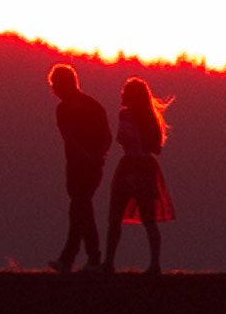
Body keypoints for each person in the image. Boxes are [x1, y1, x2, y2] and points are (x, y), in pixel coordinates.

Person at [104, 76, 174, 274]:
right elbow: (156, 148)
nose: (122, 95)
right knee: (149, 219)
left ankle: (109, 262)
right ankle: (155, 264)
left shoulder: (125, 115)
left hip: (130, 164)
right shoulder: (151, 119)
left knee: (114, 217)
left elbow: (122, 140)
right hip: (147, 167)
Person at [47, 63, 112, 274]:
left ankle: (90, 258)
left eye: (55, 85)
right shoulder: (93, 105)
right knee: (79, 209)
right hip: (89, 165)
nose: (54, 89)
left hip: (80, 166)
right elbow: (107, 137)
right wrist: (97, 156)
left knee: (81, 209)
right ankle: (70, 258)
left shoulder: (64, 109)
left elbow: (70, 138)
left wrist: (89, 157)